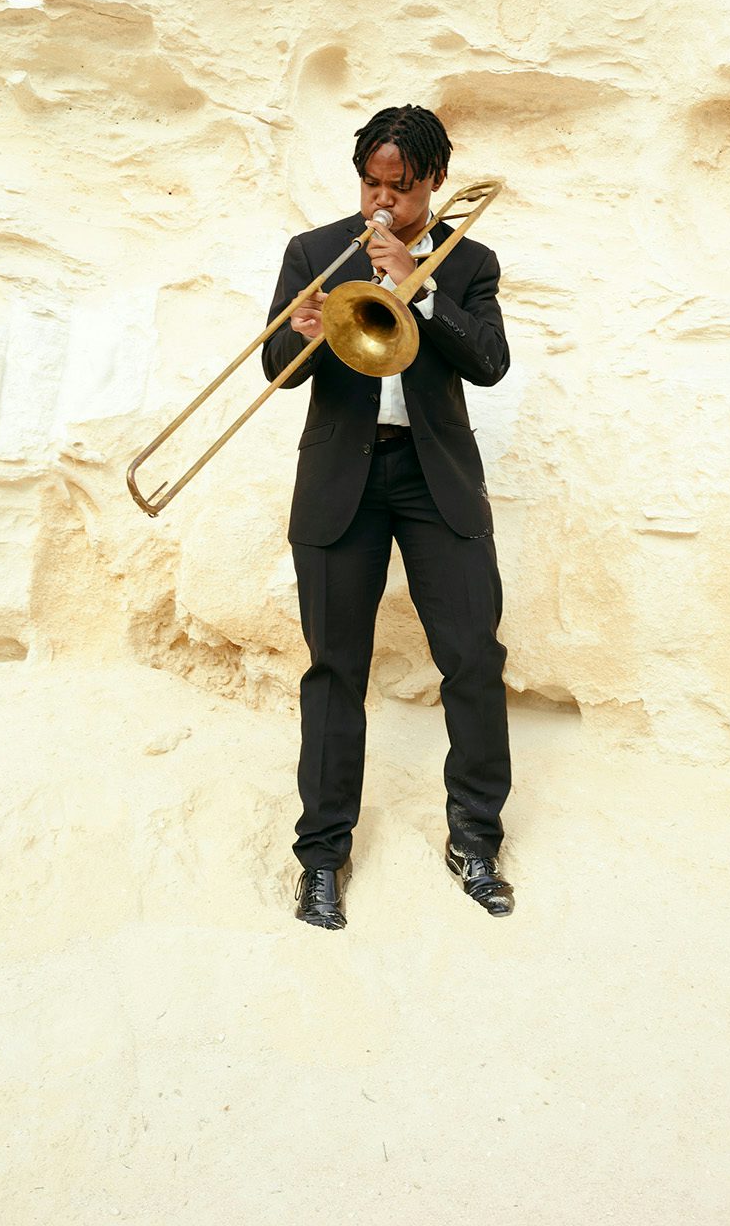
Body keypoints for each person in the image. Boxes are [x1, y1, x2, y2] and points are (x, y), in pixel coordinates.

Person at [261, 103, 515, 930]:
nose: (381, 203)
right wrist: (295, 333)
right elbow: (275, 369)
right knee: (335, 669)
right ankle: (323, 858)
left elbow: (489, 363)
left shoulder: (469, 260)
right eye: (370, 184)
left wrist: (422, 277)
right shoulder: (313, 251)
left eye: (399, 189)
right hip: (341, 477)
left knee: (473, 657)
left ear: (434, 181)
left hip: (434, 477)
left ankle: (475, 838)